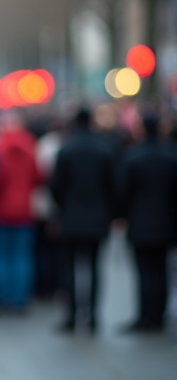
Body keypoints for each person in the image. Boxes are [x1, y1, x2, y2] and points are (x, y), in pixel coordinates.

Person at [49, 108, 117, 334]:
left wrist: (63, 207)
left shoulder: (66, 149)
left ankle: (71, 316)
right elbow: (113, 185)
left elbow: (56, 185)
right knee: (95, 268)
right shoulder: (105, 149)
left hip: (71, 217)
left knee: (69, 268)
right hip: (98, 218)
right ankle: (94, 316)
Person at [118, 113, 177, 333]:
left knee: (144, 271)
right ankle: (160, 315)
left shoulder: (133, 157)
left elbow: (123, 192)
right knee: (162, 270)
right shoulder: (171, 155)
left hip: (140, 223)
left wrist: (121, 216)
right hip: (166, 223)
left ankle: (146, 315)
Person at [0, 110, 41, 313]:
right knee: (23, 255)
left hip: (0, 209)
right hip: (25, 210)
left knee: (1, 255)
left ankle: (3, 298)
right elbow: (38, 177)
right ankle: (20, 298)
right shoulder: (30, 144)